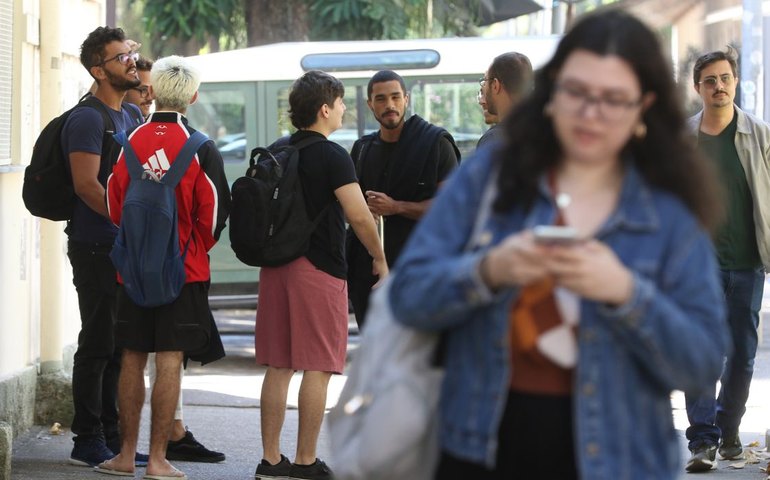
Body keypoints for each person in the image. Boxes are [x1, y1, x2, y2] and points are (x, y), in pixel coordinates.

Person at [389, 10, 729, 479]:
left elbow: (702, 361)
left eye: (613, 98)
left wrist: (626, 292)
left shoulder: (666, 210)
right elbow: (407, 295)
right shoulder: (491, 177)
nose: (590, 114)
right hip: (479, 444)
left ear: (643, 106)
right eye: (576, 92)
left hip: (620, 457)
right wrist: (488, 270)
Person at [98, 55, 230, 479]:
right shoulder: (200, 147)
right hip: (183, 272)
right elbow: (212, 217)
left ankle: (124, 456)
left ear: (151, 92)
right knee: (169, 360)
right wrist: (188, 248)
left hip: (131, 270)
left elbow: (113, 205)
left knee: (133, 357)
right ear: (193, 96)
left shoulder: (130, 140)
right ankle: (158, 460)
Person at [253, 70, 388, 480]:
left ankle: (270, 461)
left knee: (278, 365)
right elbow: (360, 216)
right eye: (342, 102)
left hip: (275, 268)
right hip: (318, 270)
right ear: (325, 108)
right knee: (318, 366)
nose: (345, 109)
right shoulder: (332, 155)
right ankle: (306, 461)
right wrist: (379, 258)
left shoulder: (279, 149)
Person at [683, 47, 770, 473]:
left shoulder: (761, 135)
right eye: (710, 80)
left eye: (725, 78)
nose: (719, 86)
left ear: (736, 81)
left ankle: (728, 429)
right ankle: (702, 439)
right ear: (698, 88)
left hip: (748, 262)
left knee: (742, 355)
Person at [62, 26, 144, 468]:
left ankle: (114, 438)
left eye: (131, 53)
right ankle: (85, 439)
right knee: (96, 342)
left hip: (123, 245)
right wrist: (126, 218)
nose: (132, 61)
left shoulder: (129, 117)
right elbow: (86, 185)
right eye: (121, 58)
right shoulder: (88, 118)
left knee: (119, 344)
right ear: (99, 70)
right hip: (95, 246)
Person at [346, 70, 460, 327]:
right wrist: (364, 211)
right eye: (381, 99)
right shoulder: (362, 149)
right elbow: (348, 209)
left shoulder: (434, 143)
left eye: (396, 97)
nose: (389, 106)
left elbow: (448, 208)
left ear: (406, 99)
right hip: (370, 274)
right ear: (370, 104)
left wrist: (396, 207)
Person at [476, 52, 533, 148]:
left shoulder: (493, 140)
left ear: (495, 85)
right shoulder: (545, 132)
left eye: (485, 81)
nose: (481, 101)